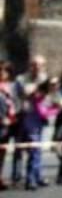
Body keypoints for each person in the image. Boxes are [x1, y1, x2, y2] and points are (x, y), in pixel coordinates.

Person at [10, 55, 48, 185]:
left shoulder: (45, 79)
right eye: (34, 64)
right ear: (30, 65)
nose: (37, 67)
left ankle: (34, 177)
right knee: (19, 148)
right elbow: (24, 92)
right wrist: (38, 85)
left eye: (40, 65)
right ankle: (17, 176)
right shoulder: (21, 79)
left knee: (35, 148)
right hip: (22, 116)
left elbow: (50, 96)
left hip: (37, 118)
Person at [18, 77, 61, 190]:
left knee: (37, 153)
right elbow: (42, 112)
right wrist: (56, 109)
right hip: (32, 127)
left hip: (37, 126)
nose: (55, 87)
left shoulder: (45, 95)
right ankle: (31, 180)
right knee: (34, 154)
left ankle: (36, 177)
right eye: (53, 85)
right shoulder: (38, 95)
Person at [0, 61, 18, 190]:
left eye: (5, 70)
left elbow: (16, 102)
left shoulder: (12, 87)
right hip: (2, 122)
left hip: (11, 123)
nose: (2, 72)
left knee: (2, 152)